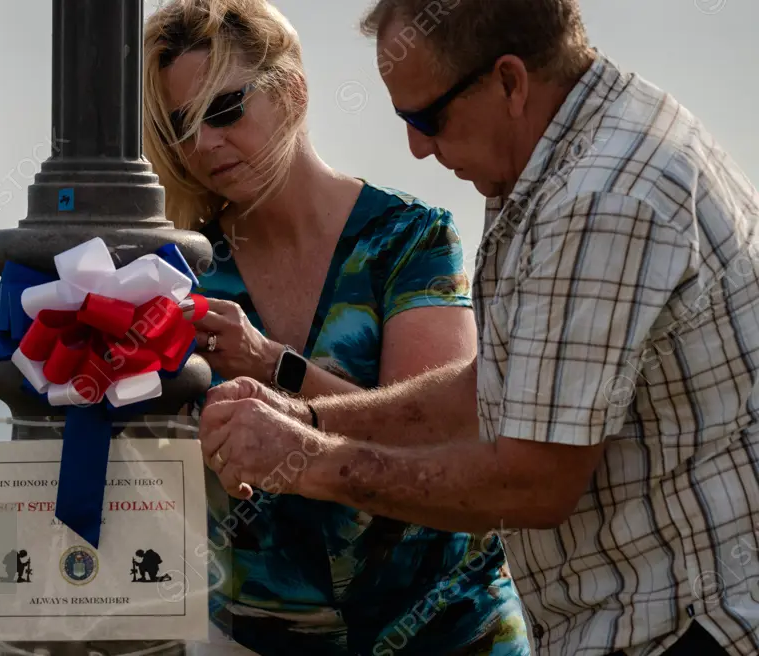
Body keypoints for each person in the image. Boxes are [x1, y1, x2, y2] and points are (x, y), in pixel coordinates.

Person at [197, 1, 759, 656]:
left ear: (510, 82)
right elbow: (485, 392)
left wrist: (301, 460)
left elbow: (533, 481)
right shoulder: (546, 157)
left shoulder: (604, 197)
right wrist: (311, 420)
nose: (416, 147)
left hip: (689, 630)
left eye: (427, 118)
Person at [143, 1, 531, 654]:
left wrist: (273, 364)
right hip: (257, 639)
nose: (204, 143)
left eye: (225, 108)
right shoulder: (183, 273)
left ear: (291, 90)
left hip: (447, 634)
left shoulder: (407, 239)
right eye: (182, 124)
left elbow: (443, 437)